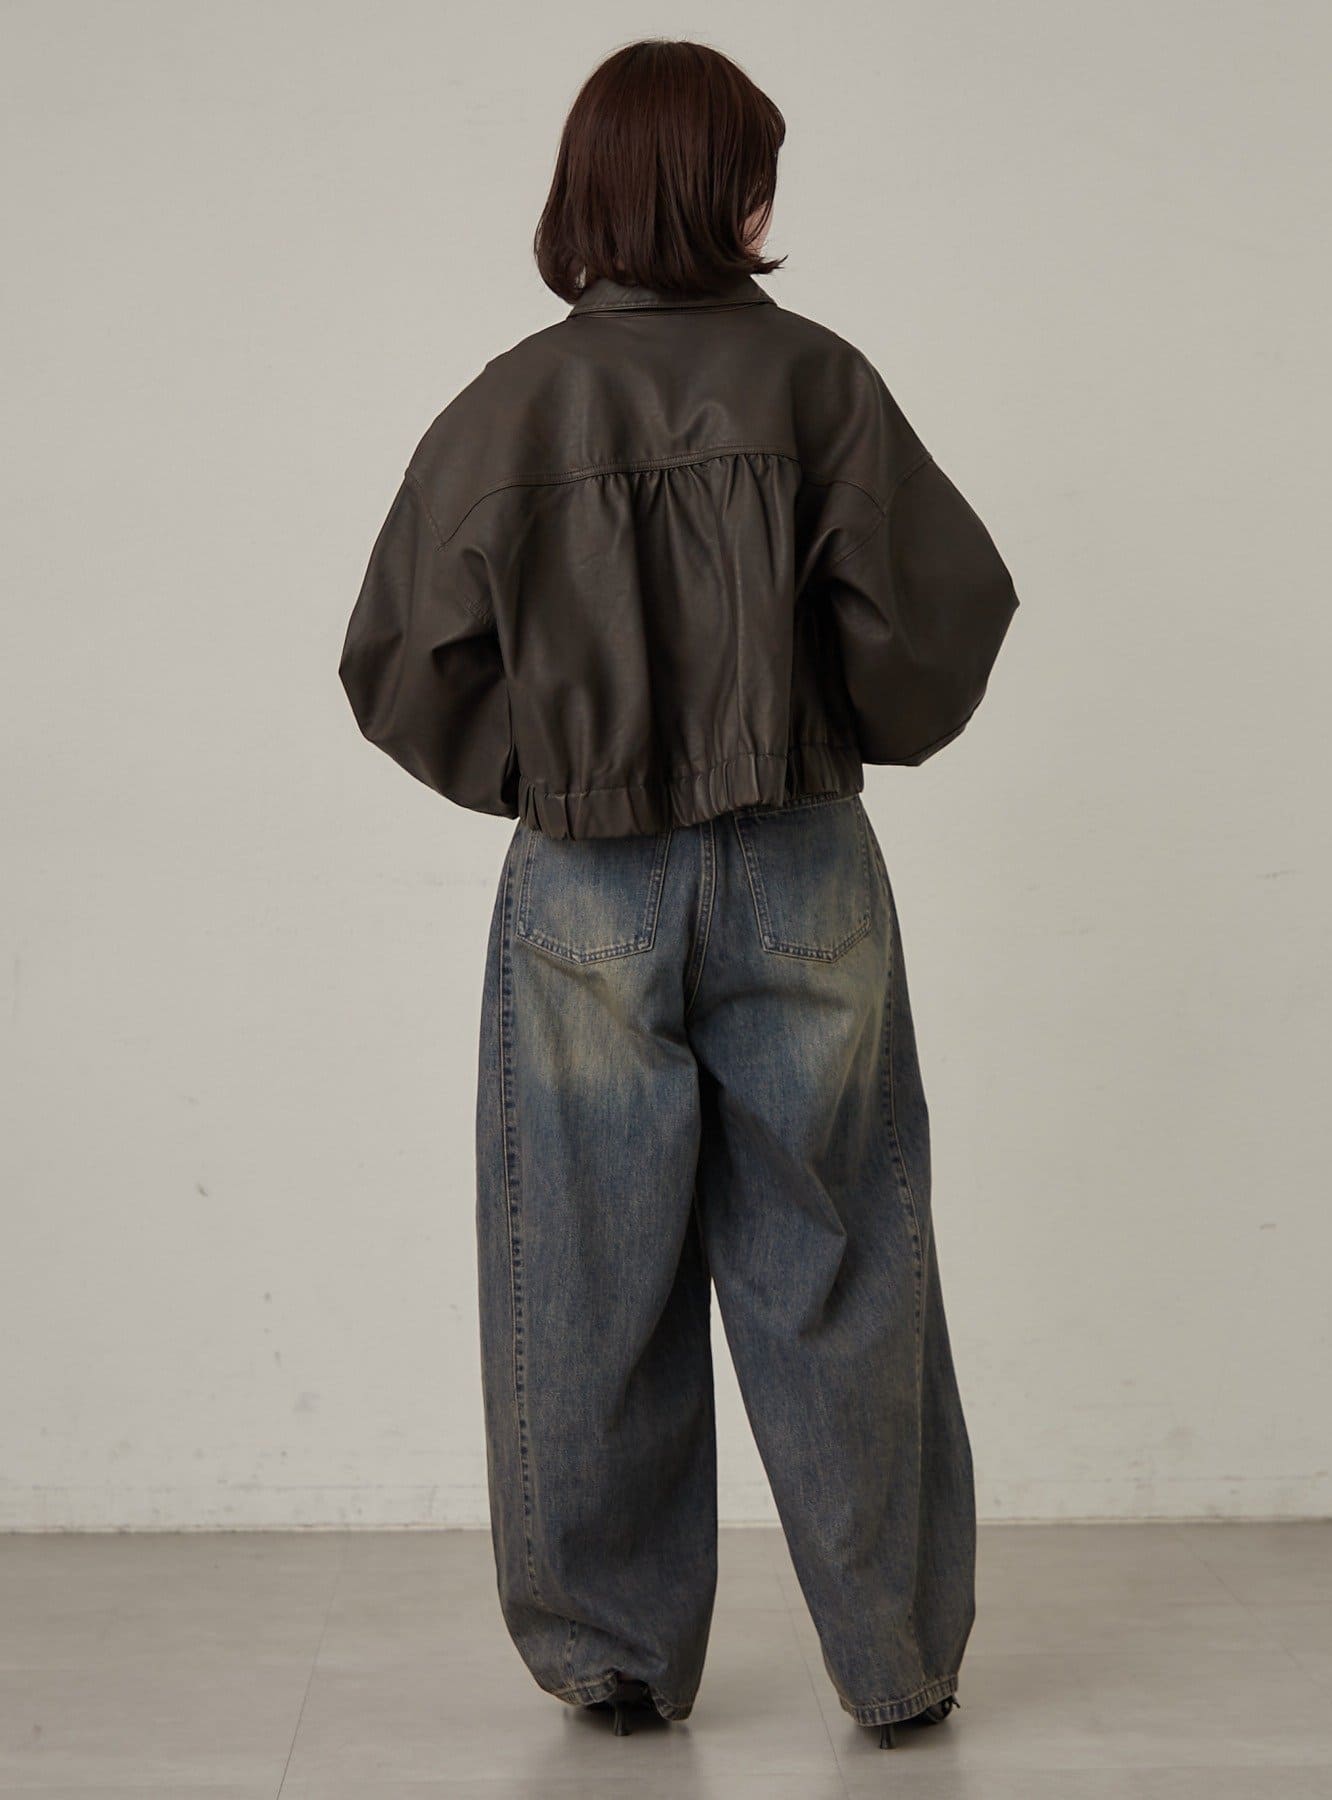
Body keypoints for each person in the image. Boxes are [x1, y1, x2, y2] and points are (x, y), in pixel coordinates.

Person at [339, 37, 1019, 1750]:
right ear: (737, 193)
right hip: (805, 860)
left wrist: (558, 776)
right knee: (846, 1255)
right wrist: (819, 724)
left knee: (581, 1267)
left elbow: (397, 665)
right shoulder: (821, 384)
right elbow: (940, 627)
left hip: (586, 887)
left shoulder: (509, 406)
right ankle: (897, 1662)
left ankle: (617, 1660)